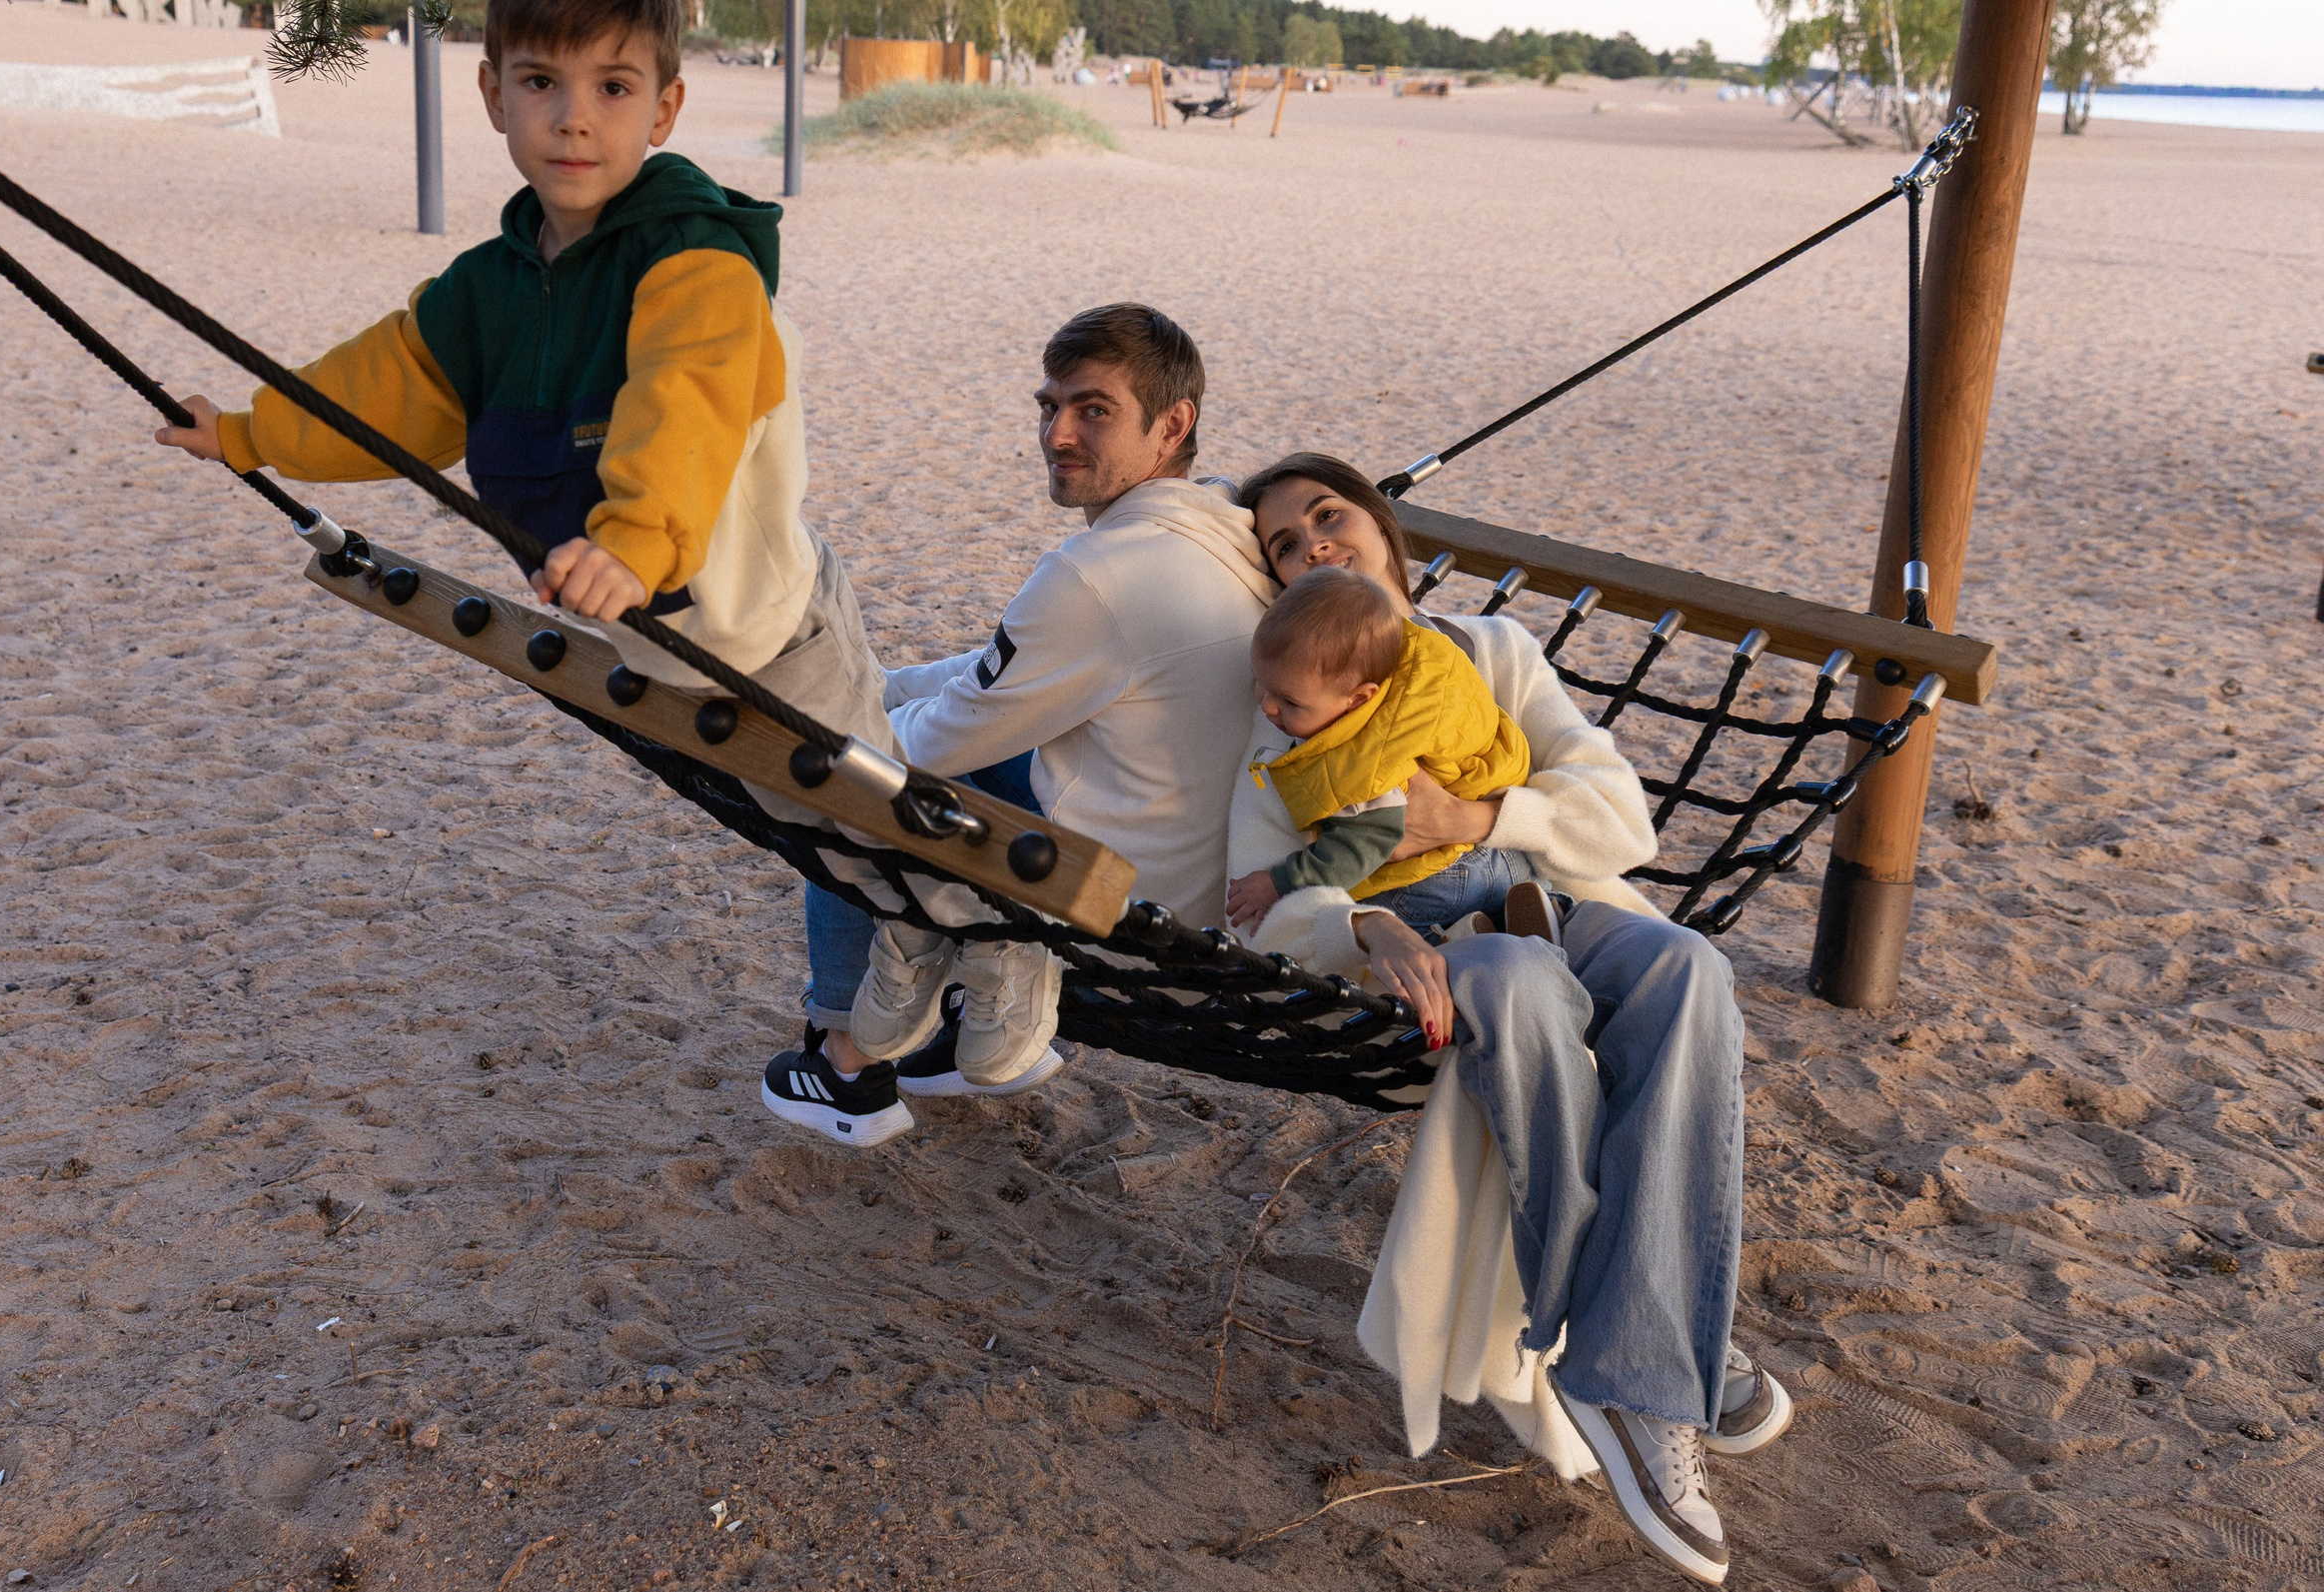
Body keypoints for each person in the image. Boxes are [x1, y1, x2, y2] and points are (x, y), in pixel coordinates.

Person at [152, 0, 944, 1145]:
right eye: (542, 83)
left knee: (866, 827)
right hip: (662, 647)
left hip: (768, 622)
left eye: (613, 88)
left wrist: (633, 539)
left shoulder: (699, 263)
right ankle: (904, 1016)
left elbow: (680, 404)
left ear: (665, 107)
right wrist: (254, 431)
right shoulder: (493, 284)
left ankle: (935, 1018)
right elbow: (389, 392)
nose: (575, 121)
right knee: (817, 833)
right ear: (494, 93)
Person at [1229, 452, 1792, 1588]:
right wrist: (1366, 931)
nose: (1313, 546)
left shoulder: (1489, 652)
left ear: (1384, 532)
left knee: (1689, 968)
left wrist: (1479, 808)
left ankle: (1629, 1344)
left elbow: (1619, 813)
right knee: (1526, 990)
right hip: (1439, 948)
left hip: (1551, 892)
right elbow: (1263, 899)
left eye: (1327, 518)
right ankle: (1645, 1373)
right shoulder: (1292, 699)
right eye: (1284, 544)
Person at [766, 305, 1274, 1118]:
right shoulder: (1223, 524)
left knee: (850, 780)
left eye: (1094, 410)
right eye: (1049, 406)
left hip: (1139, 915)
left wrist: (821, 734)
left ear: (1172, 424)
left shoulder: (1098, 573)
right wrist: (885, 679)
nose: (1058, 433)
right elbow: (1005, 673)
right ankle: (962, 1009)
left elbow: (920, 749)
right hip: (1200, 865)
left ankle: (844, 1061)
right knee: (908, 736)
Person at [1224, 565, 1530, 946]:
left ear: (1359, 698)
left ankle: (1464, 942)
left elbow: (1361, 845)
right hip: (1508, 857)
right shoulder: (1426, 663)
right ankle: (1545, 909)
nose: (1268, 708)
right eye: (1261, 684)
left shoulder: (1365, 760)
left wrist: (1280, 883)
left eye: (1289, 702)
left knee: (1365, 929)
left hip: (1439, 881)